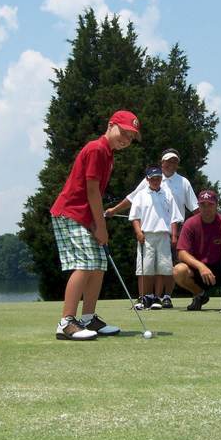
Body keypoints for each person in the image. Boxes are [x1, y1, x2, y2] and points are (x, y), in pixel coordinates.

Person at [50, 109, 141, 340]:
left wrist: (94, 222)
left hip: (84, 215)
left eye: (131, 138)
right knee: (85, 263)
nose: (126, 140)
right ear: (111, 125)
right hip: (69, 212)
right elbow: (92, 190)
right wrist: (101, 226)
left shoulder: (108, 154)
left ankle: (88, 318)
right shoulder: (97, 148)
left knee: (98, 264)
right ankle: (66, 322)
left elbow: (94, 192)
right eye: (124, 132)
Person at [105, 148, 198, 308]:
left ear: (178, 164)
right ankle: (149, 297)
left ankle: (166, 296)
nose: (171, 164)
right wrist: (114, 210)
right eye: (168, 161)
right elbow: (132, 198)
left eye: (174, 161)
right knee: (148, 266)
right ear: (162, 162)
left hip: (175, 228)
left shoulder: (183, 182)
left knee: (168, 265)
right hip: (150, 229)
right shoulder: (148, 181)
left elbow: (195, 208)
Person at [173, 189, 221, 311]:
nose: (206, 208)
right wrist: (201, 266)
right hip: (198, 270)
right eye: (203, 204)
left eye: (210, 204)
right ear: (199, 206)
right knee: (178, 271)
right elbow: (181, 252)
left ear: (216, 205)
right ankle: (200, 295)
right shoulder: (190, 223)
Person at [129, 165, 182, 309]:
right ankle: (146, 297)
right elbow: (134, 217)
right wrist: (138, 232)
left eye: (158, 178)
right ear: (147, 179)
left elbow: (174, 217)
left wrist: (174, 235)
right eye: (153, 178)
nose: (156, 181)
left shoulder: (167, 194)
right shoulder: (140, 195)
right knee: (146, 268)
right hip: (146, 236)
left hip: (164, 235)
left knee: (166, 268)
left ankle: (163, 297)